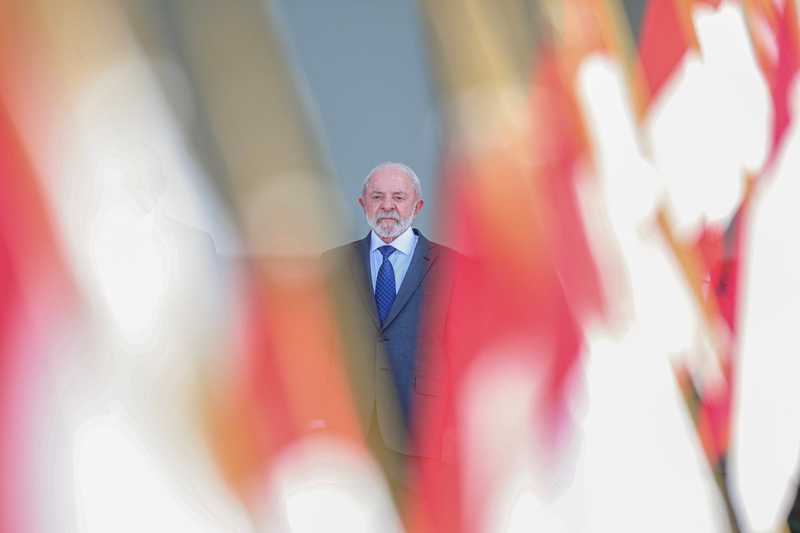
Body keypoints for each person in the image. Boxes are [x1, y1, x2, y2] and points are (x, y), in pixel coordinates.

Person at [321, 162, 465, 509]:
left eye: (399, 197)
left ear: (417, 206)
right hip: (348, 432)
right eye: (377, 197)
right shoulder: (334, 263)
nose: (387, 206)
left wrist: (456, 427)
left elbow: (462, 354)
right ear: (363, 204)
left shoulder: (453, 267)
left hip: (421, 432)